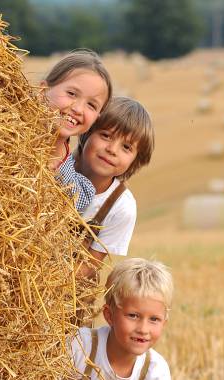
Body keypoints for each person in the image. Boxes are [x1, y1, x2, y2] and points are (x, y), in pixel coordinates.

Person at [75, 96, 154, 279]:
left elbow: (88, 268)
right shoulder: (54, 167)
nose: (112, 149)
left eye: (126, 147)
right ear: (87, 132)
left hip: (62, 293)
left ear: (136, 161)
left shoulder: (121, 207)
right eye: (105, 135)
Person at [69, 258, 173, 379]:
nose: (143, 329)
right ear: (109, 315)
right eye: (133, 316)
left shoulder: (155, 370)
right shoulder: (80, 347)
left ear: (164, 323)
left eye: (154, 319)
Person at [41, 49, 113, 212]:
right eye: (72, 94)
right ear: (43, 91)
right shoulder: (1, 136)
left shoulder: (76, 190)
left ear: (96, 117)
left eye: (91, 105)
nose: (78, 109)